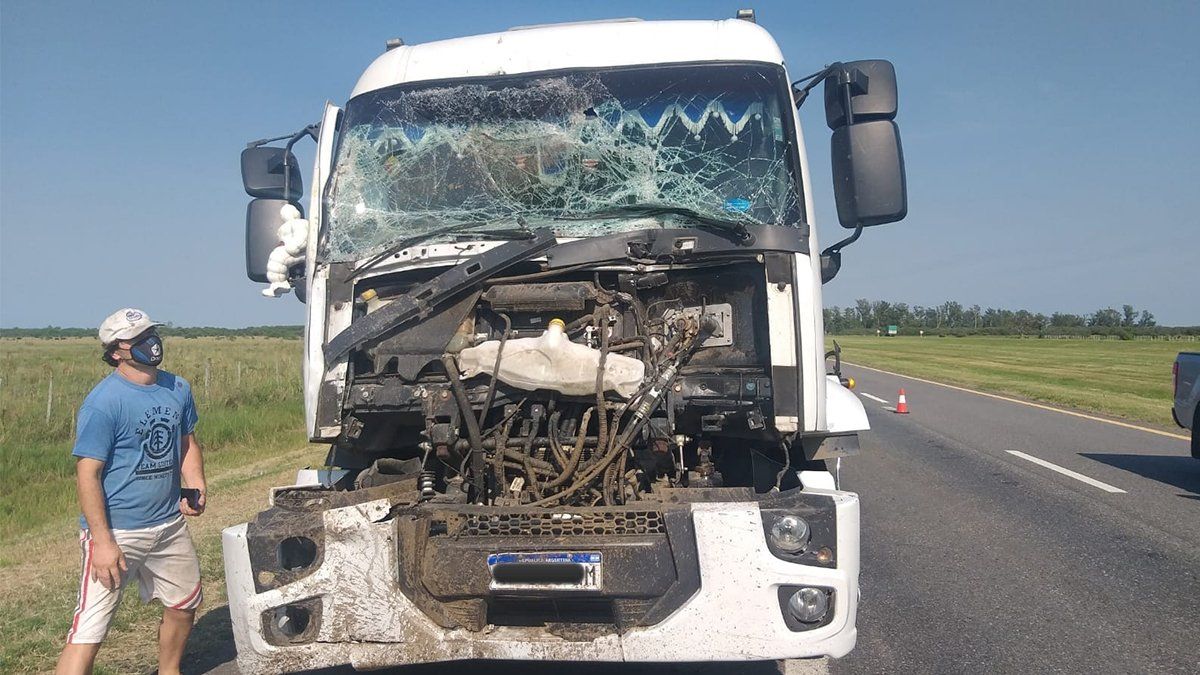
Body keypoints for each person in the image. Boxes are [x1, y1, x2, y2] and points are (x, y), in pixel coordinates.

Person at [56, 308, 207, 675]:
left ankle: (169, 671)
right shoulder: (103, 402)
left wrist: (195, 483)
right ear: (116, 352)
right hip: (118, 532)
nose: (150, 343)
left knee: (185, 604)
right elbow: (88, 474)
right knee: (89, 631)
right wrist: (103, 542)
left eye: (151, 333)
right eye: (138, 339)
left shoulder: (177, 387)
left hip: (168, 525)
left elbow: (186, 442)